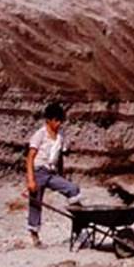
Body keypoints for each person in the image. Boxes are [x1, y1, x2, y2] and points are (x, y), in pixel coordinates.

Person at [25, 102, 82, 248]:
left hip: (51, 172)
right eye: (56, 120)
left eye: (60, 120)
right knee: (36, 204)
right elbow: (30, 158)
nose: (58, 123)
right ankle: (34, 235)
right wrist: (31, 180)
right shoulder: (40, 135)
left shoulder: (60, 135)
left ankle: (79, 225)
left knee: (73, 189)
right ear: (48, 120)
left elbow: (60, 157)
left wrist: (61, 176)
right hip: (38, 172)